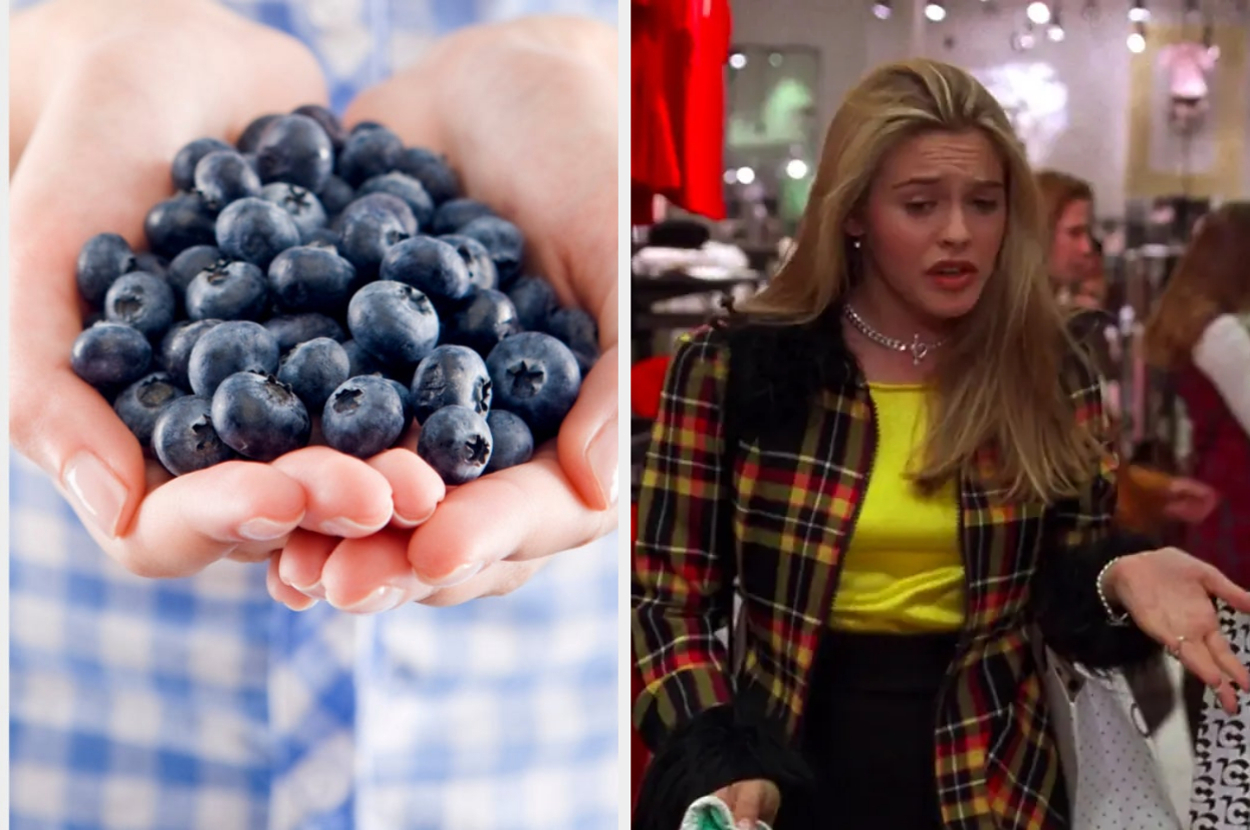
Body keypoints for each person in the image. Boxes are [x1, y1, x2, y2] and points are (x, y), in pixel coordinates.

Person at [10, 1, 618, 827]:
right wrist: (60, 55)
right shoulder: (219, 296)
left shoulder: (464, 317)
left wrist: (574, 57)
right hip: (97, 714)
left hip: (520, 739)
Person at [631, 59, 1250, 830]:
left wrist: (1120, 575)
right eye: (920, 204)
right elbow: (668, 601)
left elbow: (1064, 590)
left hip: (996, 778)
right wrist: (720, 754)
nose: (958, 232)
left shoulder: (1050, 374)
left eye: (984, 204)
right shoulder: (737, 368)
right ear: (854, 212)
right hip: (785, 772)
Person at [1145, 200, 1250, 742]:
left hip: (1218, 505)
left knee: (1217, 654)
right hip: (1237, 511)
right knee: (1231, 657)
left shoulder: (1194, 327)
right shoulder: (1222, 334)